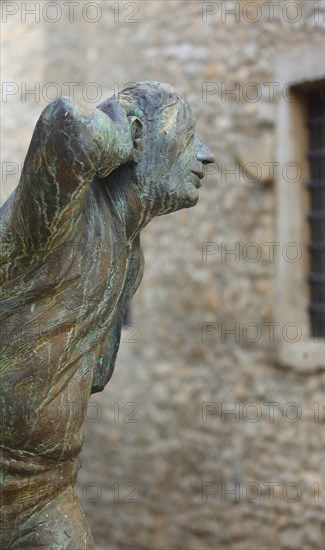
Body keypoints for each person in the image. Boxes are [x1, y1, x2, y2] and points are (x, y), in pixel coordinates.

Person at [0, 81, 215, 549]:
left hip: (45, 487)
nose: (206, 154)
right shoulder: (62, 216)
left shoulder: (128, 255)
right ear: (137, 136)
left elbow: (95, 375)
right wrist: (123, 135)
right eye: (188, 135)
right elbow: (65, 124)